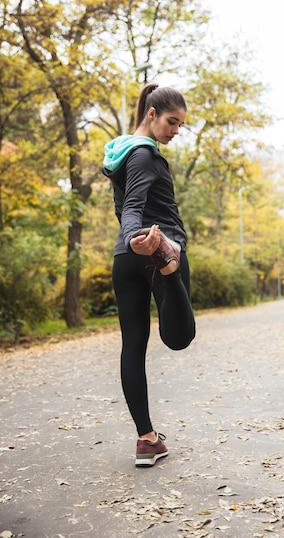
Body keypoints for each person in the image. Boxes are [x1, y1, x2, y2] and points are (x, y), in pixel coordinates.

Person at [102, 83, 196, 467]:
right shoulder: (143, 155)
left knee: (133, 346)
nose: (176, 130)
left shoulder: (121, 154)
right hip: (157, 250)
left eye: (181, 125)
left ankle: (146, 439)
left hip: (126, 259)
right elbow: (134, 208)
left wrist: (129, 241)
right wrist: (146, 245)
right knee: (179, 337)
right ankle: (170, 269)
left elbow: (125, 205)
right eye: (172, 122)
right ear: (152, 114)